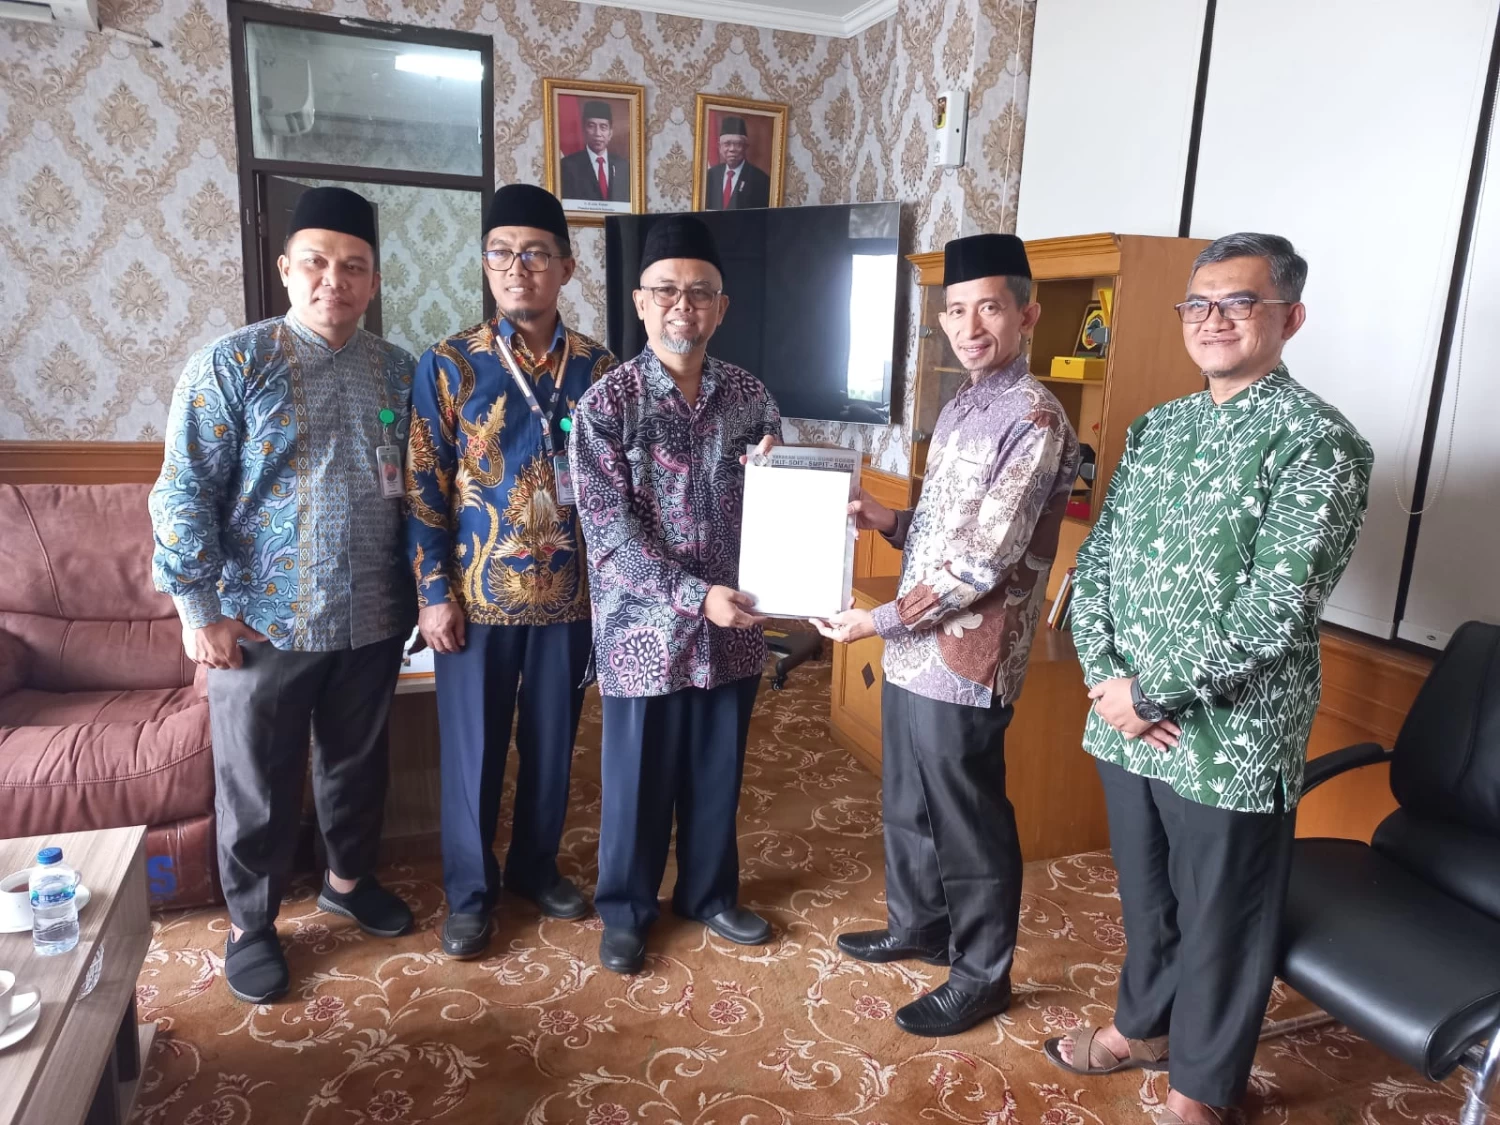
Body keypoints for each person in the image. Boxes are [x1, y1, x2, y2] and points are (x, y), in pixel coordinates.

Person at [1045, 233, 1372, 1125]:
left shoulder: (1319, 443)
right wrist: (1108, 678)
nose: (1213, 318)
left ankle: (1202, 1089)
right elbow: (1099, 561)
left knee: (1225, 914)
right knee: (1147, 894)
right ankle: (1142, 1024)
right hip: (1123, 715)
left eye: (1239, 302)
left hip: (1230, 737)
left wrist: (1152, 694)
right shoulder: (1159, 426)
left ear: (1289, 318)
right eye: (1199, 303)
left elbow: (1278, 607)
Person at [149, 186, 418, 1005]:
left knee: (357, 766)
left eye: (354, 266)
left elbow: (420, 487)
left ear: (374, 280)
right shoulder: (233, 364)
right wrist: (198, 610)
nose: (335, 279)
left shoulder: (399, 371)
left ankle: (347, 881)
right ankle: (251, 924)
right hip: (261, 623)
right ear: (285, 269)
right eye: (317, 262)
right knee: (257, 783)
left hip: (371, 616)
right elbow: (183, 490)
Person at [813, 233, 1080, 1037]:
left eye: (988, 308)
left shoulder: (1035, 416)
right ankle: (920, 923)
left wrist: (877, 620)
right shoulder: (964, 401)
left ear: (1026, 315)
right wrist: (886, 518)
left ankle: (981, 973)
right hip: (912, 646)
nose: (970, 327)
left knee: (968, 818)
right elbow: (941, 526)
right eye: (956, 310)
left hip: (968, 655)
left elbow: (985, 560)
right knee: (907, 800)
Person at [405, 184, 616, 959]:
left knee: (554, 745)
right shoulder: (449, 364)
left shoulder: (598, 367)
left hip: (570, 597)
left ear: (566, 266)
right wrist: (433, 594)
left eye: (535, 253)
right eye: (501, 253)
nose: (517, 267)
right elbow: (423, 486)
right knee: (475, 751)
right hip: (476, 598)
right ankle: (470, 891)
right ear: (485, 264)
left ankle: (534, 864)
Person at [569, 215, 780, 976]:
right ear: (640, 302)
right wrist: (695, 595)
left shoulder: (752, 398)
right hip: (643, 632)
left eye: (699, 293)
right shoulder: (607, 405)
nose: (682, 307)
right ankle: (626, 909)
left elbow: (780, 507)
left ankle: (708, 894)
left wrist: (785, 476)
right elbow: (609, 536)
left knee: (717, 773)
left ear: (722, 307)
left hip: (734, 627)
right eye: (666, 291)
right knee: (636, 782)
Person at [559, 100, 630, 204]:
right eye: (591, 126)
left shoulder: (623, 166)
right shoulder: (568, 166)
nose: (597, 133)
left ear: (610, 133)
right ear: (584, 131)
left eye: (603, 127)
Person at [705, 116, 771, 210]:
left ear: (745, 147)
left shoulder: (761, 180)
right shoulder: (710, 175)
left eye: (737, 144)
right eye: (727, 144)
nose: (732, 149)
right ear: (720, 147)